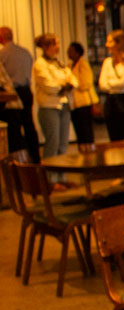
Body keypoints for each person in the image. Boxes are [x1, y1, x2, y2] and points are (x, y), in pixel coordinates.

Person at [32, 33, 77, 189]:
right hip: (49, 107)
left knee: (63, 144)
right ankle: (49, 180)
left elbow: (73, 80)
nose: (58, 46)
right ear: (47, 46)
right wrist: (63, 85)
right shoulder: (40, 64)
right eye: (56, 43)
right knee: (52, 144)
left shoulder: (59, 63)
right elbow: (49, 86)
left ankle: (61, 177)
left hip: (63, 105)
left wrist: (65, 84)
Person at [0, 26, 41, 161]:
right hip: (26, 90)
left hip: (12, 93)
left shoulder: (3, 54)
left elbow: (4, 79)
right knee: (29, 124)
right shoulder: (25, 52)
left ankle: (19, 160)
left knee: (14, 127)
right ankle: (35, 157)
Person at [98, 29, 124, 140]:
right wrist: (118, 84)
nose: (107, 45)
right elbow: (102, 84)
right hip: (112, 102)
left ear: (119, 43)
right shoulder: (107, 62)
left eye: (110, 42)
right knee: (114, 137)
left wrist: (110, 83)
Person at [67, 42, 98, 145]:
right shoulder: (69, 65)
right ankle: (82, 148)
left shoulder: (83, 64)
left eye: (71, 51)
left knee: (86, 130)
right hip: (74, 103)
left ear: (77, 52)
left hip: (84, 102)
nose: (68, 53)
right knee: (79, 130)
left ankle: (89, 149)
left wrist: (73, 84)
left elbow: (86, 83)